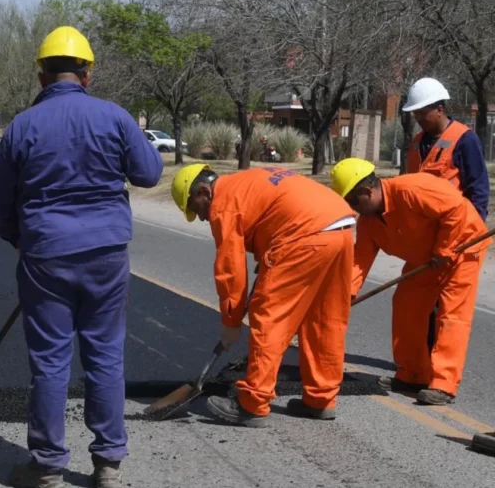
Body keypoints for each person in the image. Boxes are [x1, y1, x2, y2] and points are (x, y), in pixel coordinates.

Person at [0, 26, 163, 488]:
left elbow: (2, 206)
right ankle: (108, 463)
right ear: (87, 74)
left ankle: (47, 466)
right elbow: (149, 174)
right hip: (106, 254)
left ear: (41, 76)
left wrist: (23, 242)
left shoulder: (22, 126)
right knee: (105, 355)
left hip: (46, 254)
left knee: (50, 361)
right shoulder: (115, 117)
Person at [170, 163, 356, 427]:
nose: (201, 217)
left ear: (203, 191)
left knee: (270, 317)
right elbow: (275, 212)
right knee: (324, 319)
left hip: (303, 236)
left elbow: (230, 270)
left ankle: (252, 403)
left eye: (195, 208)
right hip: (341, 229)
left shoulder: (223, 204)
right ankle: (321, 399)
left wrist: (231, 322)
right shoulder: (245, 181)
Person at [330, 158, 492, 405]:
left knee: (452, 315)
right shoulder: (369, 223)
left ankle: (444, 384)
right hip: (426, 259)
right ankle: (413, 375)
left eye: (352, 201)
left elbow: (456, 209)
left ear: (367, 191)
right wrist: (346, 295)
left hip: (462, 249)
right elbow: (359, 261)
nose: (352, 208)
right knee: (406, 306)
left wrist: (444, 248)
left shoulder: (412, 188)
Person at [402, 77, 490, 222]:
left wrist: (474, 225)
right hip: (422, 227)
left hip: (453, 226)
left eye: (422, 113)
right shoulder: (416, 142)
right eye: (415, 113)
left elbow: (478, 189)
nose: (418, 118)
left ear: (439, 110)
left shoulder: (465, 139)